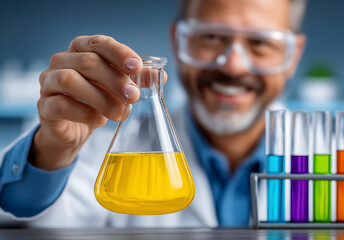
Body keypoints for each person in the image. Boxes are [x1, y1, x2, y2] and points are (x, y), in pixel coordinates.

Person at [0, 0, 306, 227]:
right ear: (177, 40)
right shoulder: (99, 148)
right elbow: (22, 212)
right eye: (212, 37)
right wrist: (53, 151)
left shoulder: (342, 163)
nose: (233, 65)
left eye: (261, 43)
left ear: (294, 56)